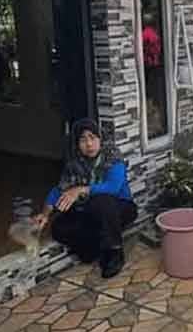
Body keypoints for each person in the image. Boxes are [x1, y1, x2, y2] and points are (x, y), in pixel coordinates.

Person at [32, 119, 136, 278]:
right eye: (83, 139)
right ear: (77, 144)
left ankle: (114, 252)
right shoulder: (74, 164)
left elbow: (113, 188)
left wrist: (81, 190)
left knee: (102, 200)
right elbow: (58, 191)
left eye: (92, 137)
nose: (89, 144)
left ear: (100, 139)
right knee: (59, 227)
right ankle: (92, 249)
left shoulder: (113, 156)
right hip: (92, 212)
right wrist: (45, 214)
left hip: (120, 208)